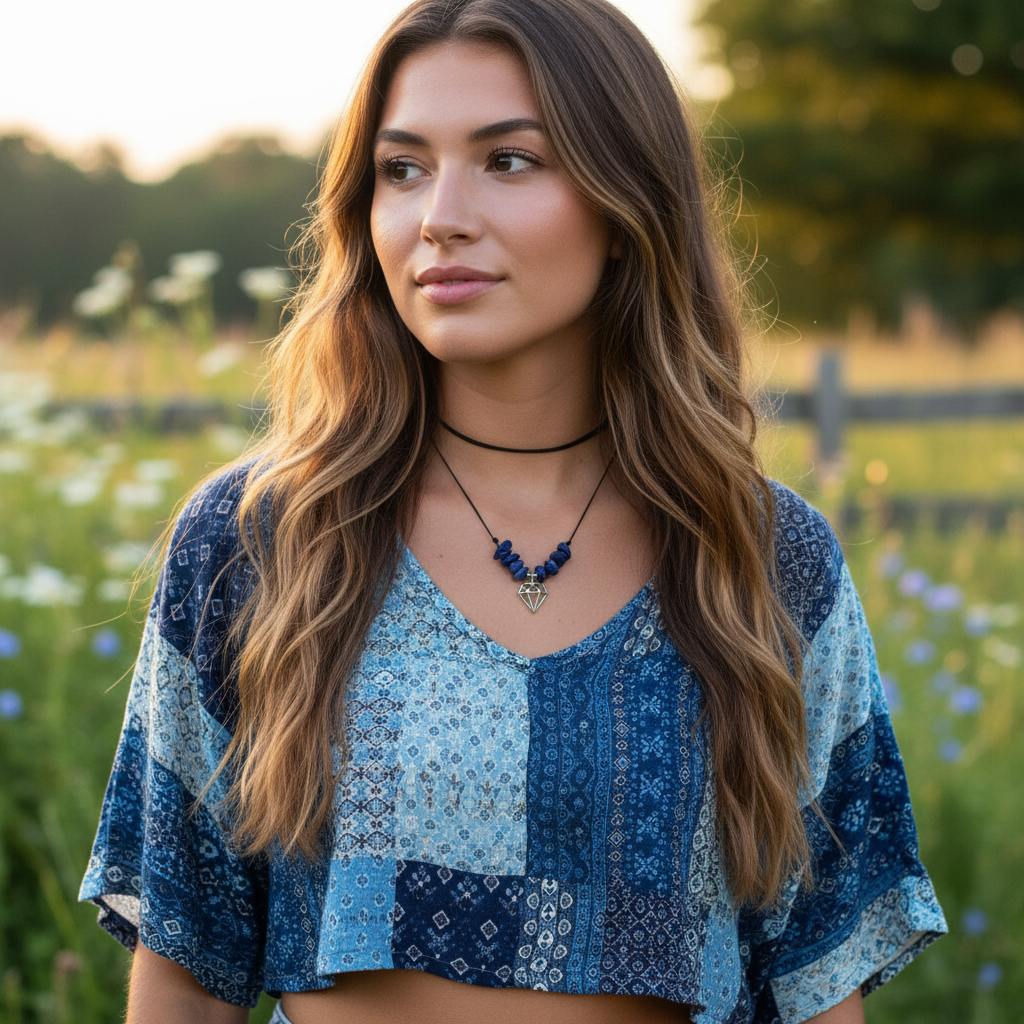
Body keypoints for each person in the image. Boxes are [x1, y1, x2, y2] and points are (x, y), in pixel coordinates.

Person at [79, 1, 947, 1021]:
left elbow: (815, 977)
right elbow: (186, 965)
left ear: (628, 206)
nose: (438, 213)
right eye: (401, 169)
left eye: (509, 160)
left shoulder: (759, 554)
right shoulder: (261, 538)